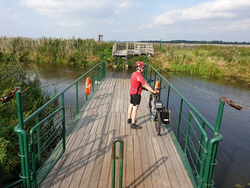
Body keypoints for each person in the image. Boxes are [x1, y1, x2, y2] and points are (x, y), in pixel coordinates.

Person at [127, 61, 156, 129]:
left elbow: (136, 84)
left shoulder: (133, 74)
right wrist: (153, 91)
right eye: (143, 68)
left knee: (131, 105)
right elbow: (145, 85)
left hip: (132, 92)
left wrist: (142, 88)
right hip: (136, 94)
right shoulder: (140, 77)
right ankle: (133, 124)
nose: (143, 69)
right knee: (135, 108)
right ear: (139, 68)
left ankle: (129, 119)